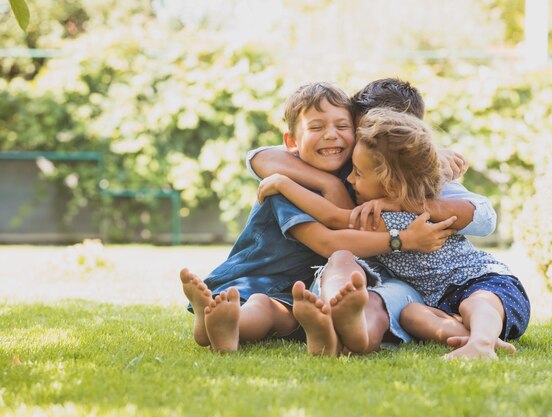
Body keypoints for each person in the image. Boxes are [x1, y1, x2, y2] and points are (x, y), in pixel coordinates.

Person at [180, 82, 459, 354]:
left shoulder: (354, 173)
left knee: (276, 313)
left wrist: (432, 154)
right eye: (316, 127)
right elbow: (329, 242)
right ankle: (224, 322)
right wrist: (403, 239)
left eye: (342, 126)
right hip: (260, 281)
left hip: (300, 292)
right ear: (291, 142)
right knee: (261, 305)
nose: (330, 135)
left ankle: (220, 327)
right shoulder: (285, 186)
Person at [248, 78, 497, 355]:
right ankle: (334, 319)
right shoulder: (345, 162)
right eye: (362, 131)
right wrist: (327, 184)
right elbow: (260, 157)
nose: (370, 139)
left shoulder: (424, 185)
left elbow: (485, 217)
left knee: (382, 301)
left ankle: (340, 326)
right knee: (345, 266)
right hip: (363, 277)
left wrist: (405, 204)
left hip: (426, 288)